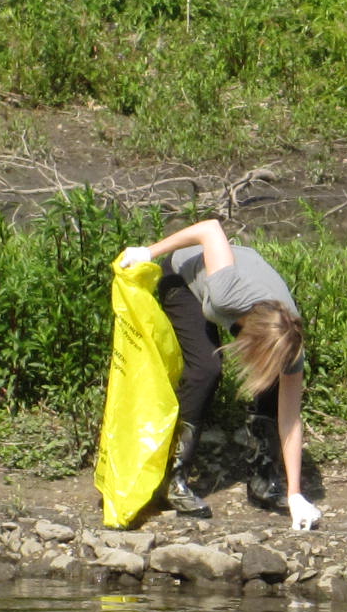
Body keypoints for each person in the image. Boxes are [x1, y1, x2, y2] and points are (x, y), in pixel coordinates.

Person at [120, 217, 318, 531]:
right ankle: (173, 479)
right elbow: (210, 229)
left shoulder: (289, 342)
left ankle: (264, 480)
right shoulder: (228, 294)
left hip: (235, 287)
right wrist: (148, 252)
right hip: (184, 275)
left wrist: (295, 494)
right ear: (249, 335)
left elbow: (290, 419)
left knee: (271, 380)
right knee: (205, 371)